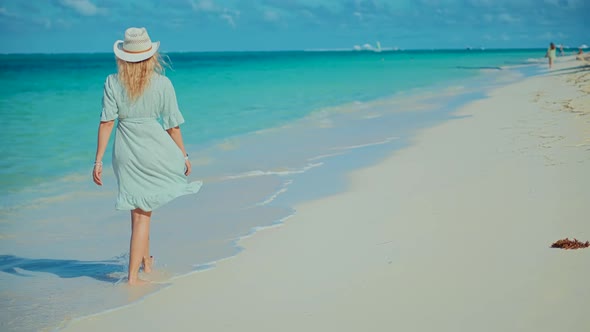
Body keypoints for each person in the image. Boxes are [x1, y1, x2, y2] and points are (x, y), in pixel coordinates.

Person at [92, 27, 202, 285]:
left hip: (125, 151)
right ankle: (132, 278)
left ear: (123, 57)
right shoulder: (163, 84)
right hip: (154, 148)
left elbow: (106, 122)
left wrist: (97, 160)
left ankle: (147, 264)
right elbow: (172, 126)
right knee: (143, 213)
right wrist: (184, 156)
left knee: (141, 210)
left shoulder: (112, 82)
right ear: (151, 55)